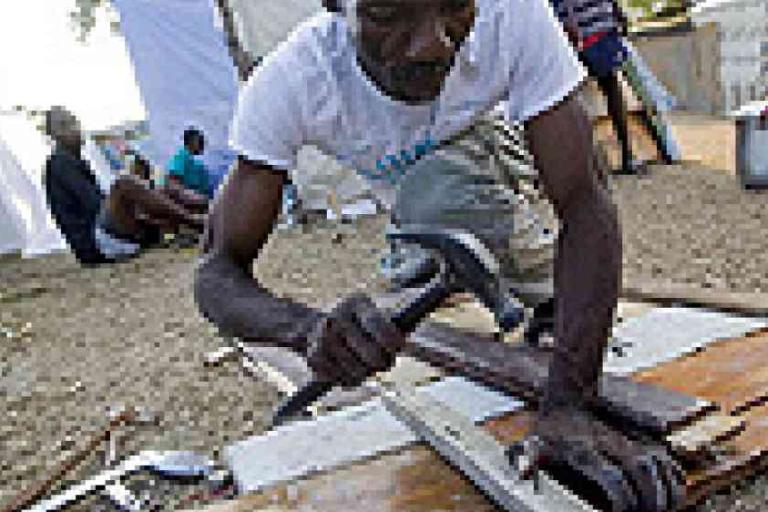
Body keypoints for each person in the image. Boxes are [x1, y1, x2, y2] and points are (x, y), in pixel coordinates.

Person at [194, 0, 682, 508]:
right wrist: (306, 330)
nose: (434, 44)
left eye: (455, 6)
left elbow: (586, 201)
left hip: (492, 159)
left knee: (444, 190)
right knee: (425, 228)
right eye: (387, 13)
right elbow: (216, 270)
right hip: (413, 209)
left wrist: (569, 404)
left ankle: (535, 277)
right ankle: (491, 275)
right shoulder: (292, 81)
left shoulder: (513, 15)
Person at [44, 106, 205, 266]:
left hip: (108, 237)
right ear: (54, 135)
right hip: (96, 246)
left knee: (159, 187)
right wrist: (138, 202)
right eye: (65, 125)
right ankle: (195, 222)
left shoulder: (74, 161)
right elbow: (96, 206)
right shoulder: (60, 163)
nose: (75, 128)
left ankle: (204, 212)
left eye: (74, 122)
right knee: (125, 184)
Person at [553, 0, 668, 174]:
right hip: (580, 29)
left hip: (594, 27)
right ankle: (602, 159)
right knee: (586, 93)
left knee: (605, 89)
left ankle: (622, 156)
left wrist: (616, 13)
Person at [166, 128, 212, 198]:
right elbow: (173, 182)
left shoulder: (197, 164)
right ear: (191, 141)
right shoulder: (182, 156)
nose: (202, 142)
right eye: (199, 140)